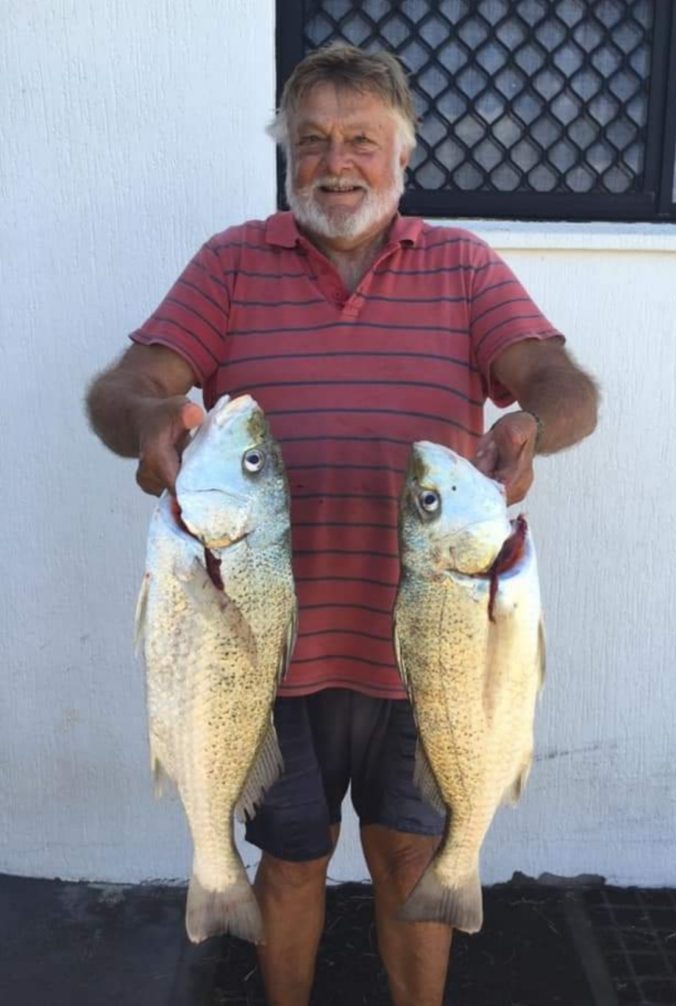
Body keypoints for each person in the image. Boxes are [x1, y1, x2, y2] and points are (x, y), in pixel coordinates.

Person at [87, 43, 598, 1006]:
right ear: (286, 155)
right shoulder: (233, 262)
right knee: (287, 867)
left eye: (362, 139)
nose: (337, 161)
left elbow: (561, 382)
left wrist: (534, 420)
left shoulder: (462, 265)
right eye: (312, 139)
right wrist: (148, 416)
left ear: (403, 155)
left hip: (428, 649)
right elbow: (128, 385)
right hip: (264, 645)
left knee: (414, 864)